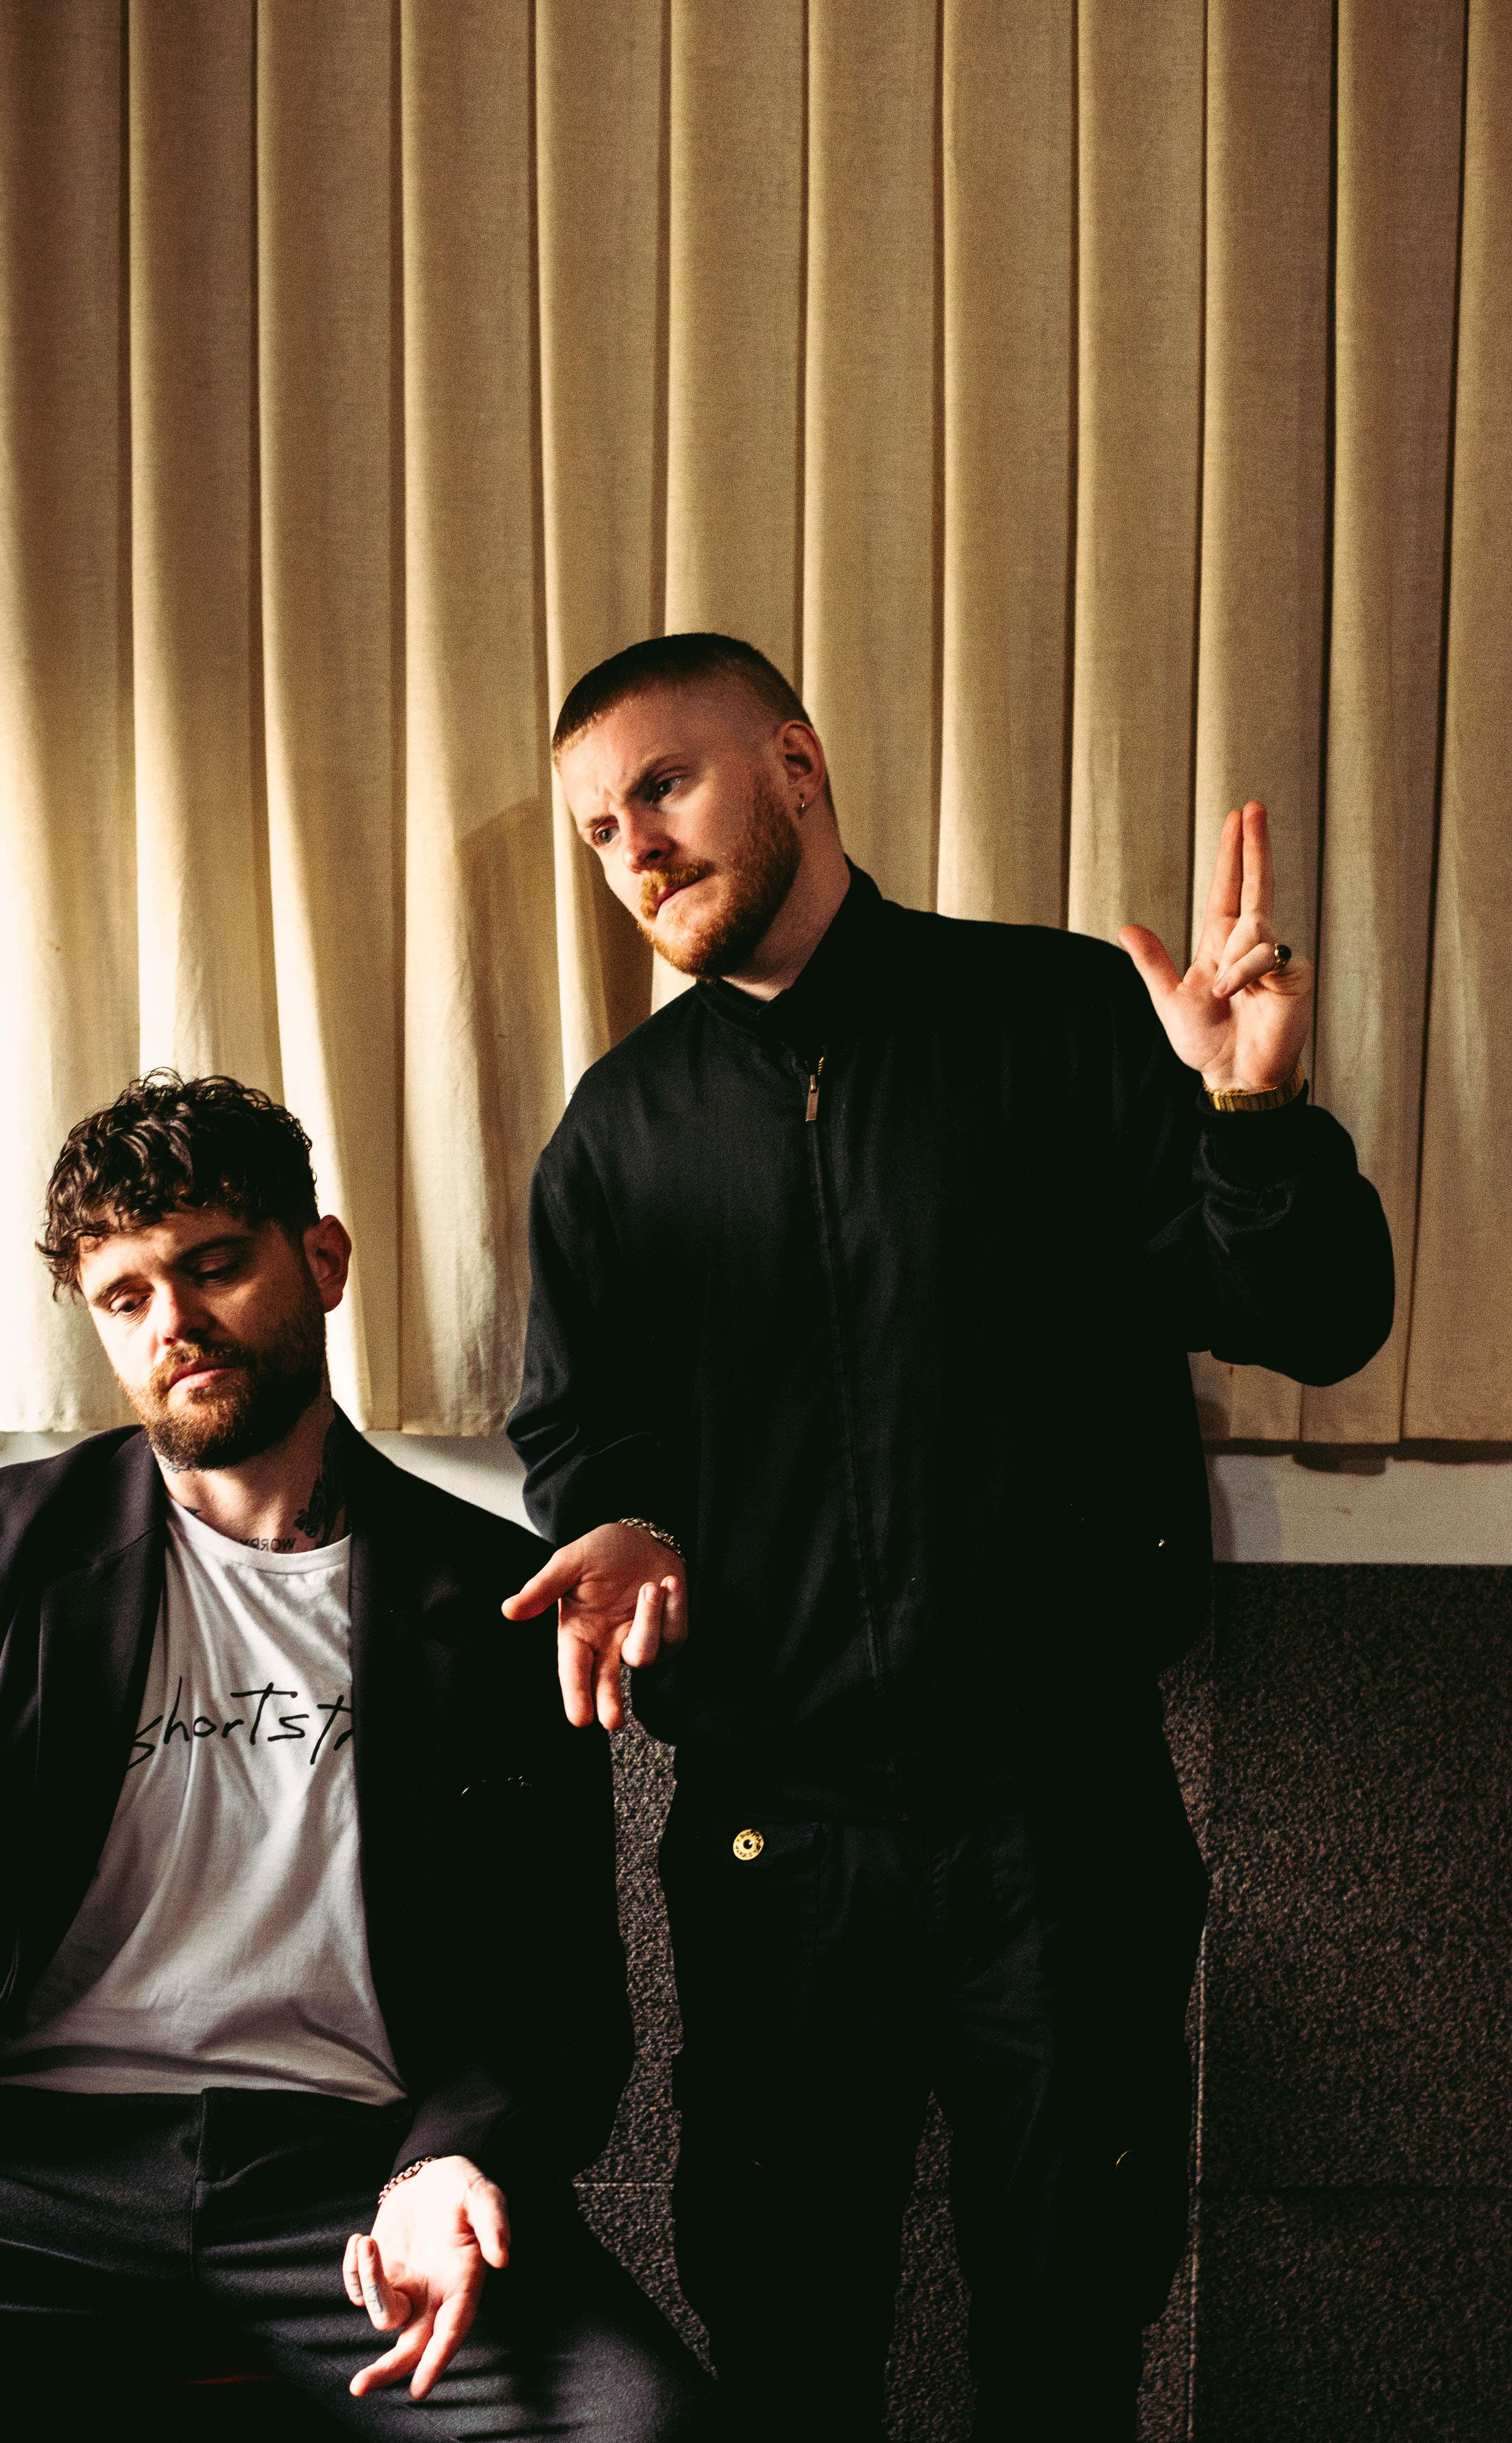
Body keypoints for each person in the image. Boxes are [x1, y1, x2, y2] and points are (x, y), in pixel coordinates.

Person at [503, 633, 1394, 2440]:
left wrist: (1250, 1110)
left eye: (664, 787)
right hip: (774, 1843)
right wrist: (612, 1516)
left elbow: (1316, 1319)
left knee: (1071, 2337)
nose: (636, 850)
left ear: (797, 765)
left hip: (1061, 1820)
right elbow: (582, 1427)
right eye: (599, 830)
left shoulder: (1061, 1017)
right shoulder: (617, 1135)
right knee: (785, 2340)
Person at [0, 1071, 716, 2442]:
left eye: (214, 1265)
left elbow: (557, 1994)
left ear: (322, 1261)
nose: (172, 1321)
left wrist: (452, 2162)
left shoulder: (498, 1599)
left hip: (353, 2171)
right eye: (125, 1296)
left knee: (645, 2429)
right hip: (12, 2170)